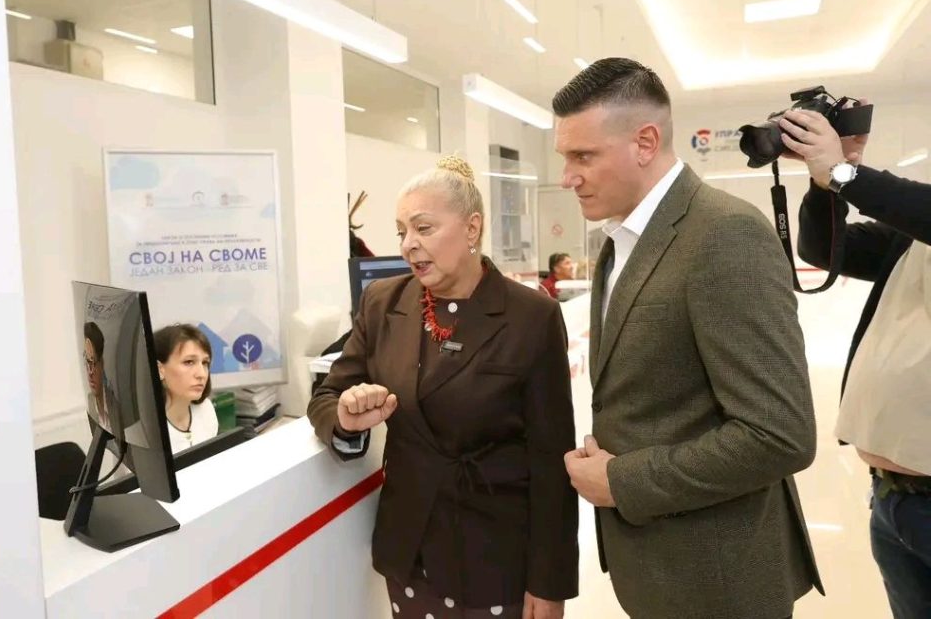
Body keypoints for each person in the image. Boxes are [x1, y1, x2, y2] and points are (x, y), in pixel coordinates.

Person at [556, 58, 822, 619]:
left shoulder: (725, 234)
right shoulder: (620, 242)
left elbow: (780, 435)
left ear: (645, 142)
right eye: (565, 157)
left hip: (717, 581)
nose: (567, 177)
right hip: (656, 571)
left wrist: (620, 480)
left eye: (583, 156)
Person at [308, 155, 578, 619]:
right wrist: (346, 420)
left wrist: (548, 582)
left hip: (497, 554)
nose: (408, 245)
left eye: (424, 228)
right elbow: (327, 397)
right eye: (401, 232)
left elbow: (552, 459)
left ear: (472, 228)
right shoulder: (383, 303)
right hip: (411, 550)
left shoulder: (531, 317)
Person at [785, 105, 931, 619]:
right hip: (893, 499)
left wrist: (842, 172)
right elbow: (824, 249)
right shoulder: (912, 235)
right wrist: (825, 181)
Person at [154, 324, 218, 453]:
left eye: (205, 363)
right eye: (189, 362)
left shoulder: (206, 410)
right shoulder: (146, 430)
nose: (201, 374)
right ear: (159, 369)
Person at [82, 321, 114, 431]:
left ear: (101, 364)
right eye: (87, 362)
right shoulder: (90, 403)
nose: (90, 372)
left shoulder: (115, 407)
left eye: (93, 362)